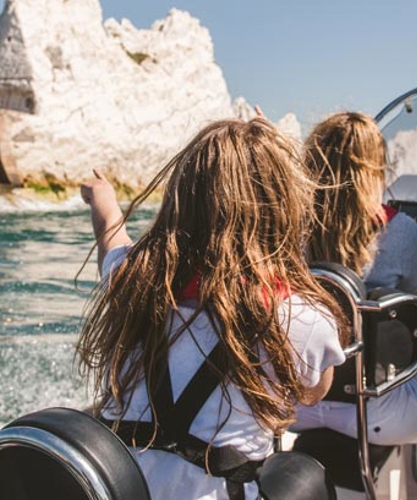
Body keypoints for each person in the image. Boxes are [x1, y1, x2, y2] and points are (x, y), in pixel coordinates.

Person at [77, 118, 346, 500]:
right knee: (306, 478)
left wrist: (103, 196)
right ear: (280, 208)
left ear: (180, 198)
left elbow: (110, 233)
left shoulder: (130, 279)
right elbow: (313, 392)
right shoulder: (300, 318)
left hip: (119, 490)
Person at [292, 111, 417, 500]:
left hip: (296, 404)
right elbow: (414, 305)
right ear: (374, 168)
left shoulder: (291, 229)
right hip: (373, 412)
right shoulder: (400, 229)